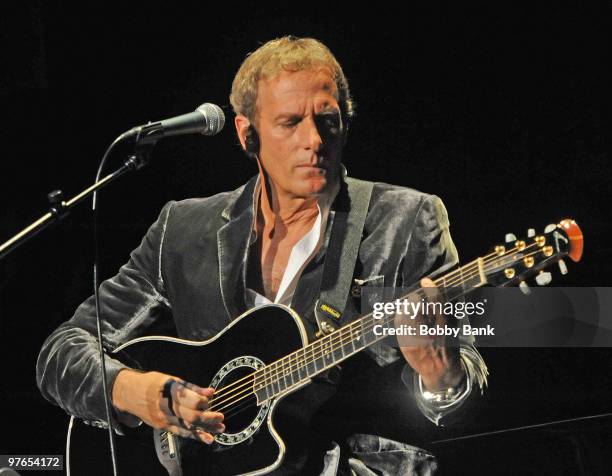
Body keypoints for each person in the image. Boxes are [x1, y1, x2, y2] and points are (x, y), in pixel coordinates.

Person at [37, 36, 488, 475]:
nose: (314, 139)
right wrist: (137, 391)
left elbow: (477, 392)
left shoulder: (404, 222)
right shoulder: (183, 229)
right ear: (246, 133)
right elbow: (60, 354)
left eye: (327, 120)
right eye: (290, 122)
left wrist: (439, 373)